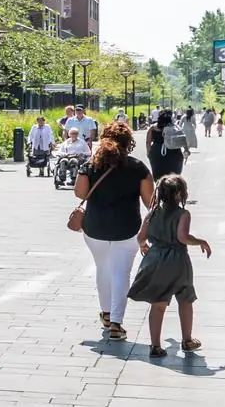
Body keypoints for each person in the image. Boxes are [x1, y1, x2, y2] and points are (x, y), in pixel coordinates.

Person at [74, 120, 155, 342]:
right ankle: (116, 324)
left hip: (94, 228)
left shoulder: (91, 165)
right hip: (127, 229)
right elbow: (151, 203)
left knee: (103, 268)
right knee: (121, 273)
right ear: (128, 142)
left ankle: (107, 314)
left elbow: (80, 193)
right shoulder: (138, 168)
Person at [129, 173, 212, 357]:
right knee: (185, 298)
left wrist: (144, 247)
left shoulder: (152, 213)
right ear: (179, 194)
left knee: (158, 303)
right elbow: (183, 237)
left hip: (155, 258)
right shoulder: (183, 214)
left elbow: (141, 238)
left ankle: (155, 346)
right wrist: (200, 241)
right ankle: (187, 340)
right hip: (177, 260)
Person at [148, 108, 187, 180]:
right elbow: (183, 139)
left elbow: (148, 142)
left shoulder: (153, 128)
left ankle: (160, 189)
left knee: (159, 176)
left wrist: (149, 153)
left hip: (157, 152)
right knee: (174, 177)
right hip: (174, 152)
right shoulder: (175, 127)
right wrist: (186, 150)